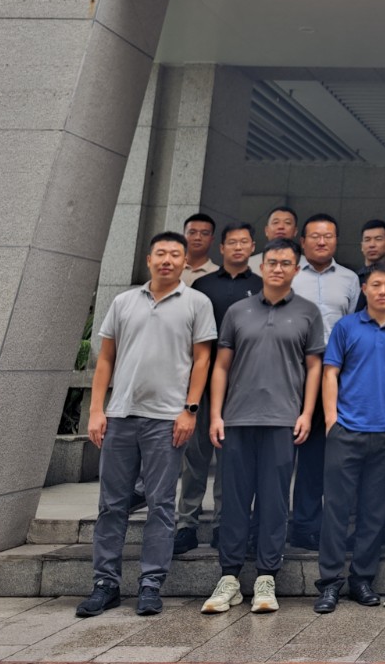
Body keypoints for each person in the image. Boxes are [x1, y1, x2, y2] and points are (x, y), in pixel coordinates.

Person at [77, 232, 216, 618]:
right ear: (149, 259)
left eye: (175, 254)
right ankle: (105, 584)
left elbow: (202, 360)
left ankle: (151, 583)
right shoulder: (123, 302)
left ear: (185, 262)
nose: (167, 260)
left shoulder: (197, 303)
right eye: (161, 254)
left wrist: (190, 410)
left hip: (167, 419)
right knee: (111, 504)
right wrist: (97, 410)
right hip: (120, 416)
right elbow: (105, 359)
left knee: (160, 504)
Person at [203, 239, 325, 615]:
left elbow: (315, 367)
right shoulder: (238, 311)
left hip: (282, 421)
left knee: (274, 501)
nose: (277, 268)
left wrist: (306, 413)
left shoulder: (308, 313)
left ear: (296, 269)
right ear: (262, 266)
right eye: (271, 262)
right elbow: (221, 365)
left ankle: (266, 577)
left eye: (285, 263)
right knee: (234, 501)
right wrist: (216, 414)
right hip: (237, 419)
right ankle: (229, 577)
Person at [314, 263, 385, 612]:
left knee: (374, 512)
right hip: (346, 431)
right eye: (376, 285)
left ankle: (362, 578)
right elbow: (330, 373)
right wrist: (332, 421)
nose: (383, 291)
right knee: (336, 510)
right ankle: (330, 582)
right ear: (364, 289)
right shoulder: (346, 326)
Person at [174, 222, 262, 556]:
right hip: (202, 383)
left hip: (242, 386)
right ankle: (187, 524)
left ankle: (225, 525)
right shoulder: (202, 285)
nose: (238, 247)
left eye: (244, 242)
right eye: (232, 242)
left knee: (231, 459)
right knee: (195, 456)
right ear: (221, 248)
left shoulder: (261, 287)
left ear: (253, 247)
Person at [287, 213, 361, 550]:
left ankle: (307, 524)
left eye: (328, 236)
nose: (321, 241)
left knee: (317, 455)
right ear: (302, 241)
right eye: (314, 236)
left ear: (336, 240)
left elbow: (352, 324)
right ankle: (269, 523)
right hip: (290, 372)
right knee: (280, 454)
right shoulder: (290, 274)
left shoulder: (349, 279)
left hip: (333, 375)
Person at [247, 207, 299, 275]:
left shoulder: (307, 265)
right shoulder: (249, 264)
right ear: (266, 230)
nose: (281, 227)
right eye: (275, 222)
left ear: (295, 231)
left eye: (287, 223)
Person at [181, 213, 218, 286]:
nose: (197, 238)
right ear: (183, 237)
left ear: (212, 240)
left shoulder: (218, 274)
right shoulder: (170, 269)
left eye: (205, 233)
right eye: (192, 232)